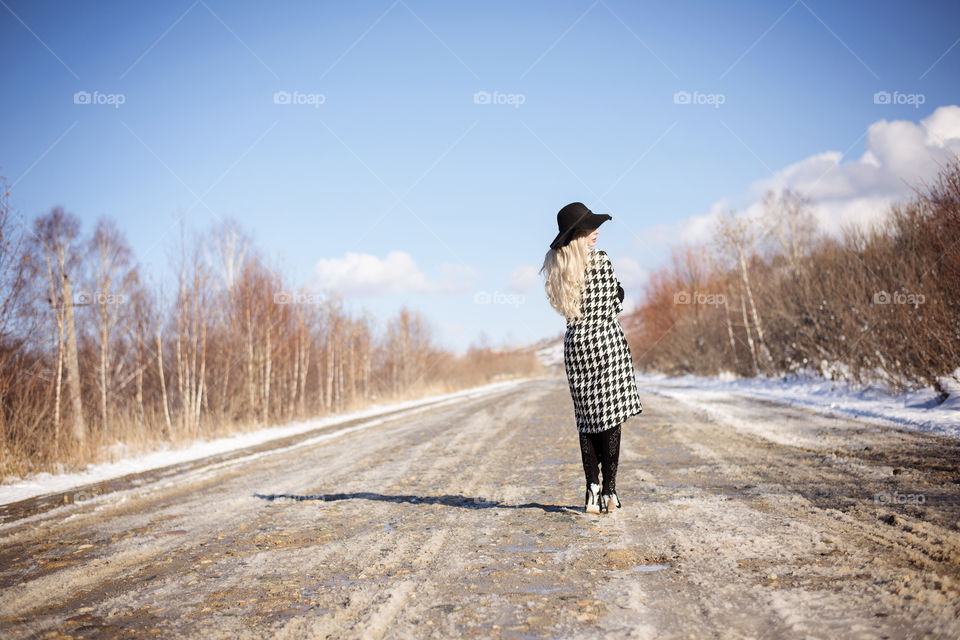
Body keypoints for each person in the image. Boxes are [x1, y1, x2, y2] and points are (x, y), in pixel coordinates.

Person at [539, 202, 643, 514]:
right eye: (589, 228)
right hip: (605, 343)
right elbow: (614, 304)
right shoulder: (601, 260)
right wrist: (619, 294)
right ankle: (610, 491)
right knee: (610, 419)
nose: (595, 231)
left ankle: (591, 490)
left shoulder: (558, 268)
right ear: (577, 235)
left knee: (587, 419)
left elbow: (569, 309)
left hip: (576, 348)